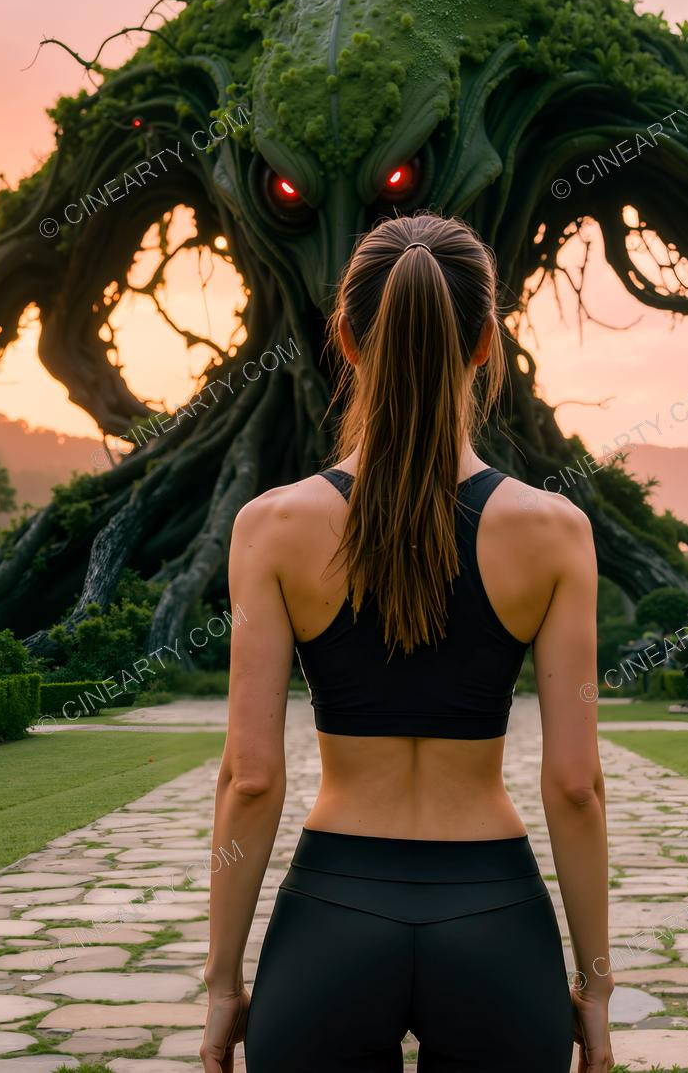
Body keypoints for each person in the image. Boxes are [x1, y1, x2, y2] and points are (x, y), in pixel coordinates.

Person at [201, 214, 612, 1072]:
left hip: (331, 919)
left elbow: (251, 778)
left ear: (346, 338)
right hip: (495, 918)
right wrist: (595, 991)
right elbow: (575, 786)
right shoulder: (556, 531)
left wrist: (222, 985)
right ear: (486, 344)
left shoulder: (270, 526)